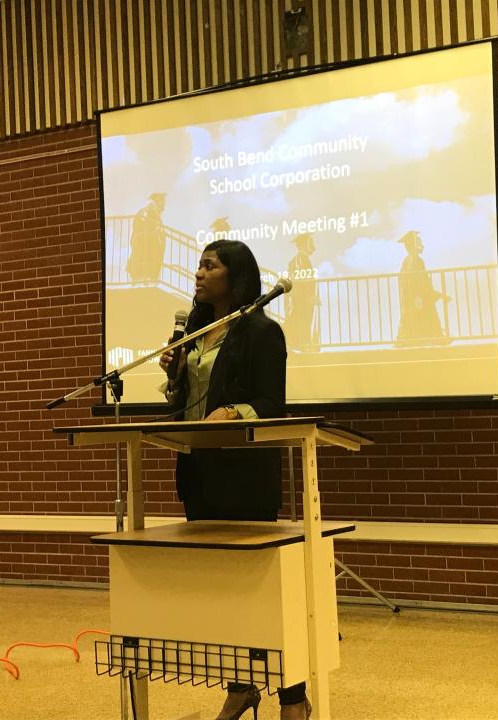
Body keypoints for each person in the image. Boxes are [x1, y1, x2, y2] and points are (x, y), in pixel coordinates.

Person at [159, 239, 310, 720]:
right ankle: (240, 689)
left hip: (245, 473)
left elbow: (272, 402)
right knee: (222, 591)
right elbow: (183, 405)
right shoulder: (195, 331)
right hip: (201, 468)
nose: (199, 273)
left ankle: (293, 696)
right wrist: (175, 375)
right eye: (199, 265)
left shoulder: (262, 332)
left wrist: (233, 412)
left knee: (261, 592)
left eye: (210, 266)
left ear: (235, 275)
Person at [395, 230, 449, 345]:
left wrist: (439, 294)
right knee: (425, 317)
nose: (420, 245)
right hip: (419, 297)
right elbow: (418, 281)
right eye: (417, 242)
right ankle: (432, 339)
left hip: (414, 298)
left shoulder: (408, 261)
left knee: (417, 319)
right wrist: (418, 296)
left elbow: (418, 281)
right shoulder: (415, 261)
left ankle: (413, 340)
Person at [285, 233, 319, 352]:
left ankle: (305, 346)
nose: (313, 246)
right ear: (304, 244)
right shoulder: (299, 260)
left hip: (304, 299)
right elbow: (301, 281)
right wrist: (310, 296)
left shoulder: (303, 260)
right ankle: (304, 347)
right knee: (302, 323)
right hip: (302, 300)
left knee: (304, 323)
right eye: (310, 242)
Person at [126, 192, 167, 282]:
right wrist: (155, 233)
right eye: (162, 203)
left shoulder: (152, 212)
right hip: (144, 241)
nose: (163, 208)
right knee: (146, 260)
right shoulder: (147, 211)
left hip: (148, 242)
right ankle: (145, 277)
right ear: (157, 202)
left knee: (150, 259)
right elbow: (142, 225)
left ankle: (149, 277)